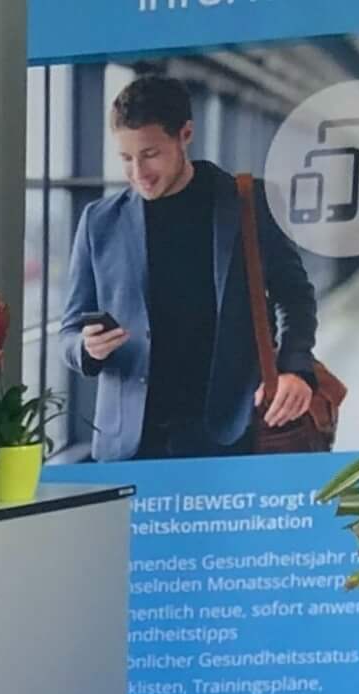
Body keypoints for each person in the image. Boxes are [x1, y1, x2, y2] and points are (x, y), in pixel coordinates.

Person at [59, 71, 319, 461]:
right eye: (126, 158)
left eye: (150, 155)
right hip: (129, 441)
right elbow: (69, 331)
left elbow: (295, 295)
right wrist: (86, 347)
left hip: (229, 431)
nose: (138, 173)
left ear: (185, 134)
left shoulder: (246, 202)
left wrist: (295, 368)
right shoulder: (100, 221)